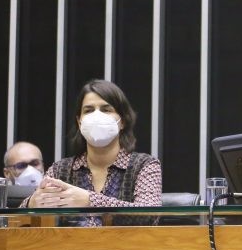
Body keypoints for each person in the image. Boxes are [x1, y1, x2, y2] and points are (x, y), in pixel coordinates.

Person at [22, 79, 162, 210]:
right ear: (79, 122)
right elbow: (20, 218)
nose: (96, 116)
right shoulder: (60, 171)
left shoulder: (144, 166)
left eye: (106, 110)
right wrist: (31, 203)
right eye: (88, 111)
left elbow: (150, 214)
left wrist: (90, 200)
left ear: (123, 121)